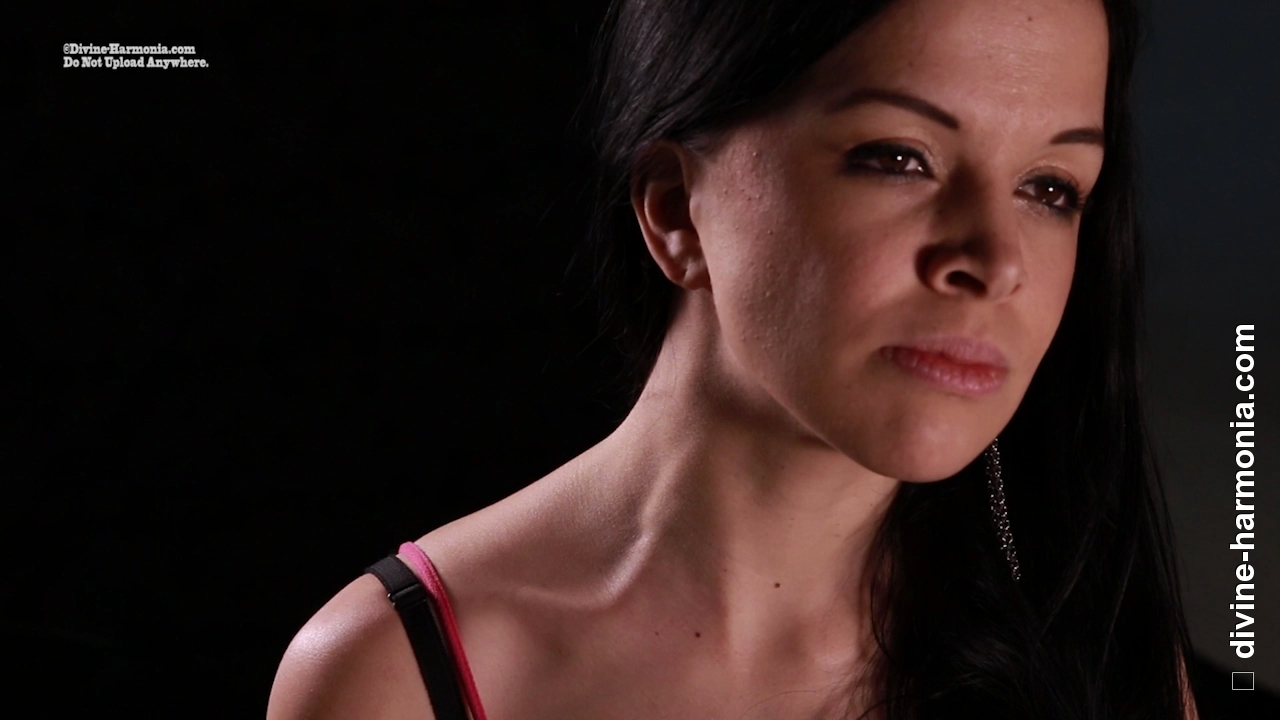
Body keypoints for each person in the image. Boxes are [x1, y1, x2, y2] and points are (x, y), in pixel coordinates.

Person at [267, 0, 1201, 717]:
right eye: (898, 157)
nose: (996, 261)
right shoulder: (396, 677)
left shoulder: (1097, 664)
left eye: (1050, 187)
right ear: (676, 209)